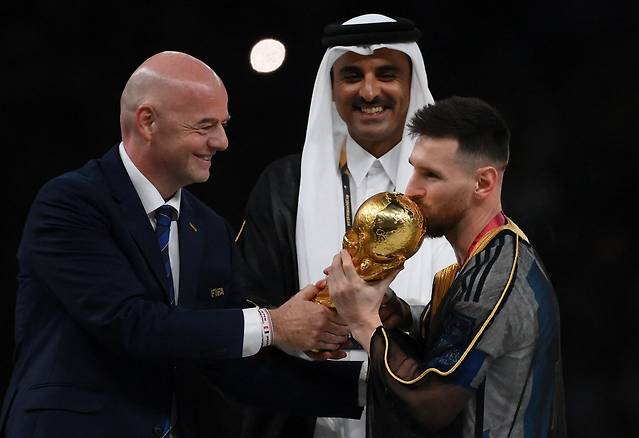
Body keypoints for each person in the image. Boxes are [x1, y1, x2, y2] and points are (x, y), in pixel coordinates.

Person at [0, 51, 366, 438]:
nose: (222, 142)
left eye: (224, 124)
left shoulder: (209, 229)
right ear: (148, 122)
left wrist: (371, 384)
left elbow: (226, 359)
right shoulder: (71, 203)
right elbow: (130, 323)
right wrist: (272, 323)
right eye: (205, 126)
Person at [235, 13, 456, 438]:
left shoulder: (449, 188)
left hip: (424, 418)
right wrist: (282, 325)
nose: (369, 91)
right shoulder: (284, 185)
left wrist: (405, 315)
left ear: (412, 84)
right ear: (331, 89)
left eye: (387, 74)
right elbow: (241, 305)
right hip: (305, 419)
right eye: (352, 75)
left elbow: (479, 312)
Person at [326, 96, 568, 437]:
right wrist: (405, 317)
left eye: (431, 175)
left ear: (483, 183)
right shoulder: (483, 258)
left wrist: (363, 322)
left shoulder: (497, 278)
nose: (411, 190)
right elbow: (454, 347)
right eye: (414, 169)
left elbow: (430, 404)